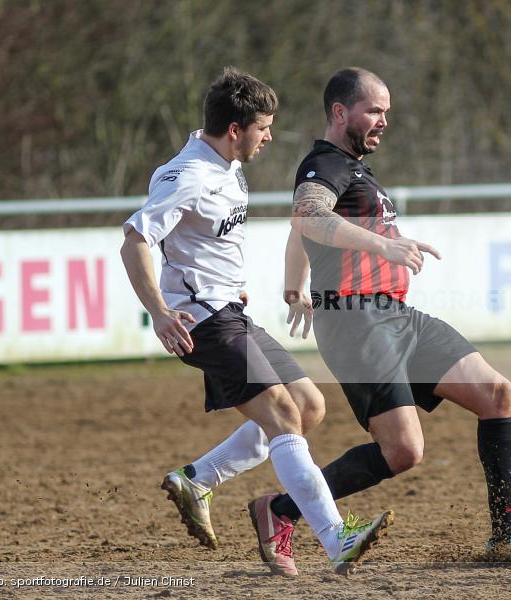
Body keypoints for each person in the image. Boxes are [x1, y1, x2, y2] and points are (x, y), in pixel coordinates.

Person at [251, 66, 511, 573]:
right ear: (340, 112)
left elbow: (302, 234)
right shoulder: (325, 162)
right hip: (357, 321)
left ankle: (506, 538)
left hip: (397, 315)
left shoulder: (353, 169)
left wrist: (294, 285)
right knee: (402, 452)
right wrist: (383, 244)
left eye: (387, 112)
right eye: (374, 110)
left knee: (498, 394)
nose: (383, 121)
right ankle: (280, 509)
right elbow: (307, 215)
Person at [119, 67, 392, 577]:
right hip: (201, 319)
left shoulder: (224, 163)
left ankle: (197, 478)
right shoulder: (190, 175)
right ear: (236, 129)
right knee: (284, 418)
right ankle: (337, 539)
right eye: (264, 127)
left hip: (231, 310)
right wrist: (159, 312)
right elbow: (135, 239)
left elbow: (203, 240)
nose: (269, 137)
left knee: (308, 406)